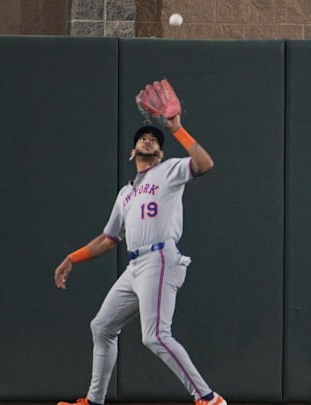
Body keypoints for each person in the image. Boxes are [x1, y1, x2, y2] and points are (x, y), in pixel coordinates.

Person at [54, 114, 225, 405]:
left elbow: (205, 164)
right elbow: (109, 239)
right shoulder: (126, 193)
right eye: (143, 138)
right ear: (133, 151)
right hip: (135, 266)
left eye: (155, 140)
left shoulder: (169, 170)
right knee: (102, 327)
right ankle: (94, 401)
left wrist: (178, 130)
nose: (148, 139)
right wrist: (72, 257)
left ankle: (208, 398)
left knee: (155, 335)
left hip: (160, 258)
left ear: (160, 153)